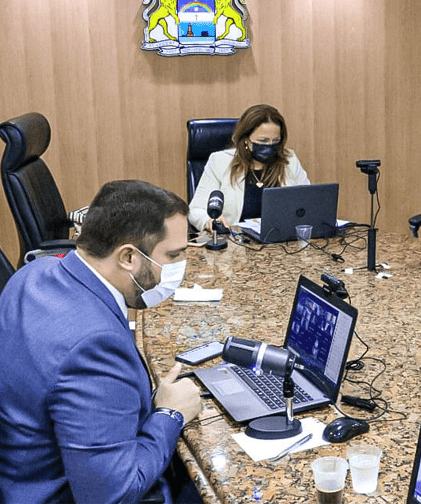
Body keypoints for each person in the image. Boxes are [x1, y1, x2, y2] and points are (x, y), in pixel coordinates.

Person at [0, 180, 202, 504]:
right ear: (128, 257)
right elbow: (113, 495)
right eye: (173, 255)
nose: (180, 267)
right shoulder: (94, 347)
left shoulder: (33, 273)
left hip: (19, 475)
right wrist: (171, 413)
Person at [189, 104, 310, 231]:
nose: (270, 145)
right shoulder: (220, 161)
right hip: (235, 238)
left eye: (275, 141)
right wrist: (209, 221)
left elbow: (308, 203)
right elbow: (196, 210)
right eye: (263, 141)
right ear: (246, 139)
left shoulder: (289, 160)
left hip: (282, 237)